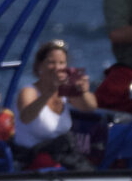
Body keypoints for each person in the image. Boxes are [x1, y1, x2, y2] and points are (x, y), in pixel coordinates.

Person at [14, 41, 98, 170]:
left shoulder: (64, 91)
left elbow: (90, 107)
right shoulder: (29, 91)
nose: (57, 68)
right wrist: (49, 93)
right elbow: (26, 117)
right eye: (51, 62)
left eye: (61, 63)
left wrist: (84, 91)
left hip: (59, 155)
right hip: (31, 158)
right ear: (39, 66)